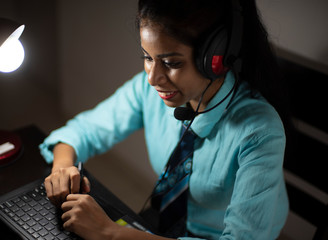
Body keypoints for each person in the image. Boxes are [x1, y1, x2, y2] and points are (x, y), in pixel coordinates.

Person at [40, 0, 290, 239]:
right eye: (147, 58)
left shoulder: (259, 132)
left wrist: (111, 234)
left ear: (215, 59)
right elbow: (85, 130)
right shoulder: (149, 90)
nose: (152, 78)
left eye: (170, 62)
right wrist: (63, 167)